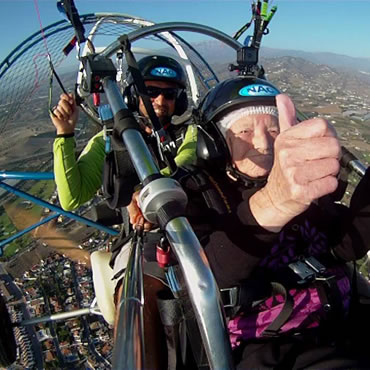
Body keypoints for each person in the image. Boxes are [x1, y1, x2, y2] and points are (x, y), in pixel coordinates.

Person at [124, 75, 370, 368]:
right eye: (244, 130)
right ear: (214, 143)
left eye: (274, 129)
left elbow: (341, 247)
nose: (264, 142)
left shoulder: (298, 183)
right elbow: (201, 276)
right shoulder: (195, 193)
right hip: (262, 344)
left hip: (338, 317)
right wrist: (274, 203)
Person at [51, 55, 197, 211]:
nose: (160, 101)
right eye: (150, 91)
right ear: (133, 96)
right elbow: (72, 198)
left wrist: (143, 192)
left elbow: (186, 158)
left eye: (169, 94)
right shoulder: (112, 138)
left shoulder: (188, 133)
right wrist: (64, 134)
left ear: (179, 100)